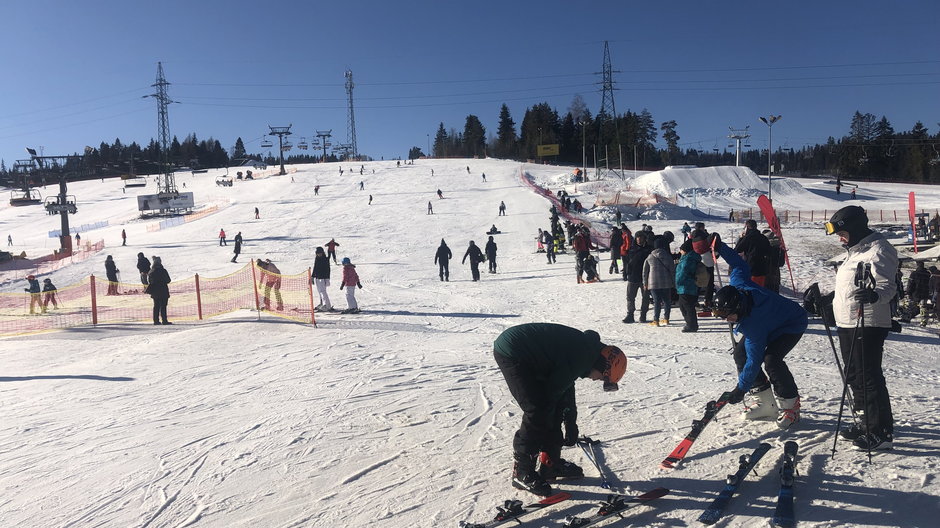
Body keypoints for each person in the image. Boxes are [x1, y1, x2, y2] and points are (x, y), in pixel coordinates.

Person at [493, 323, 627, 496]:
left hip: (535, 356)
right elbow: (553, 394)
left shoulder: (586, 354)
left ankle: (551, 465)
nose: (596, 380)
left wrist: (570, 421)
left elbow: (565, 388)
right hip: (513, 351)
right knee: (537, 410)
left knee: (552, 406)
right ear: (602, 366)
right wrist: (568, 420)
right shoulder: (583, 356)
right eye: (602, 378)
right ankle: (522, 472)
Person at [711, 232, 807, 429]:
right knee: (740, 354)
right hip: (770, 320)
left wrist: (741, 388)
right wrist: (721, 248)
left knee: (772, 360)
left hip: (792, 323)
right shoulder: (738, 284)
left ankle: (791, 406)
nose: (726, 321)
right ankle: (765, 404)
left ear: (738, 309)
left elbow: (755, 361)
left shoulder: (754, 325)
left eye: (728, 316)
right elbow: (739, 265)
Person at [825, 206, 898, 449]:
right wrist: (827, 301)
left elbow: (889, 285)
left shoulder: (879, 249)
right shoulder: (855, 251)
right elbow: (852, 285)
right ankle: (865, 421)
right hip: (847, 320)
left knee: (868, 376)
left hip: (868, 321)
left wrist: (875, 296)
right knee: (854, 375)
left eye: (841, 232)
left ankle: (881, 431)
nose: (839, 237)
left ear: (854, 228)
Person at [643, 237, 675, 327]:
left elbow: (645, 272)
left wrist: (645, 283)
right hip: (666, 282)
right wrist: (673, 282)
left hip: (653, 283)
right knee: (667, 301)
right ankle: (666, 319)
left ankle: (656, 320)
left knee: (657, 301)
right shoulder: (668, 256)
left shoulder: (650, 257)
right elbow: (672, 270)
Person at [623, 231, 652, 323]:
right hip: (632, 276)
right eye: (637, 237)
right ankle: (630, 314)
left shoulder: (649, 250)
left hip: (645, 278)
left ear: (644, 239)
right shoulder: (631, 249)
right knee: (630, 297)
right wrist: (625, 271)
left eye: (640, 237)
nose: (639, 239)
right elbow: (626, 261)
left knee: (645, 297)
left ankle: (643, 315)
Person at [734, 219, 772, 287]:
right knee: (760, 289)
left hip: (751, 267)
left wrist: (741, 238)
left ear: (747, 228)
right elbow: (769, 252)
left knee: (752, 289)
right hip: (762, 267)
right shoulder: (763, 237)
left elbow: (737, 249)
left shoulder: (748, 238)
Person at [676, 238, 703, 332]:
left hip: (685, 286)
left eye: (681, 249)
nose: (680, 251)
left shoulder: (688, 259)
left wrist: (677, 283)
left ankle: (691, 325)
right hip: (690, 286)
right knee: (686, 306)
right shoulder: (691, 258)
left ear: (686, 250)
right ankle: (691, 324)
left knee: (687, 307)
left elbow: (682, 273)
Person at [147, 256, 172, 325]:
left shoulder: (151, 271)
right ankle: (164, 320)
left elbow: (149, 281)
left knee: (156, 306)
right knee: (163, 306)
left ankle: (156, 320)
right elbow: (168, 280)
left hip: (155, 291)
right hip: (163, 290)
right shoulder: (163, 271)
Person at [907, 261, 931, 326]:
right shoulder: (928, 274)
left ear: (917, 266)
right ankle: (923, 321)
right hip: (925, 293)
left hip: (915, 293)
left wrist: (908, 292)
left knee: (911, 306)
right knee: (923, 307)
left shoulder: (914, 274)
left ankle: (907, 318)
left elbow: (910, 284)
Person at [312, 247, 333, 311]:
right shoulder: (317, 259)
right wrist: (312, 276)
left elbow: (328, 269)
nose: (319, 254)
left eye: (320, 253)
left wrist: (327, 278)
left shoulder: (325, 259)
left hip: (323, 278)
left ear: (323, 253)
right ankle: (322, 303)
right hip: (317, 277)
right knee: (319, 292)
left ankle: (327, 305)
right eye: (318, 253)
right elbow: (315, 268)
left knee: (323, 291)